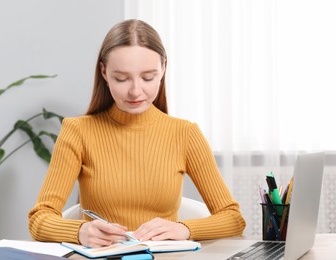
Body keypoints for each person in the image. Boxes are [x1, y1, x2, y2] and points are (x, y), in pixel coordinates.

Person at [28, 19, 246, 248]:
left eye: (148, 77)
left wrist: (184, 229)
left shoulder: (185, 133)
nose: (135, 91)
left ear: (163, 68)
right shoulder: (78, 131)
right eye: (121, 78)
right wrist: (81, 230)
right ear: (104, 72)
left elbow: (233, 219)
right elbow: (39, 218)